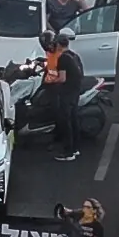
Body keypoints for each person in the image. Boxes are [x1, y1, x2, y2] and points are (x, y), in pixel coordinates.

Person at [43, 31, 85, 163]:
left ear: (59, 45)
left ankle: (68, 152)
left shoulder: (63, 58)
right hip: (75, 92)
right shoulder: (74, 56)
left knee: (65, 122)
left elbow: (62, 78)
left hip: (66, 93)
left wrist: (50, 81)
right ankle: (76, 148)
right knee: (73, 120)